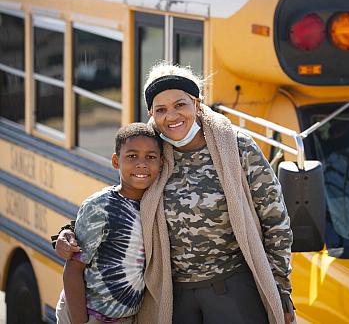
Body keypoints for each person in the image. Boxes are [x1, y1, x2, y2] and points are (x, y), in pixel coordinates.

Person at [55, 62, 295, 324]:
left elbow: (275, 221)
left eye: (180, 105)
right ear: (152, 114)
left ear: (197, 103)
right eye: (161, 109)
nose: (171, 116)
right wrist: (69, 232)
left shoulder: (237, 148)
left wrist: (280, 287)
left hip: (233, 289)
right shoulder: (153, 152)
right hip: (173, 295)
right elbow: (122, 202)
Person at [54, 123, 163, 324]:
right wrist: (80, 321)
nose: (141, 164)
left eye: (151, 157)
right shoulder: (100, 206)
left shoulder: (155, 205)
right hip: (88, 314)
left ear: (161, 162)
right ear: (115, 161)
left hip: (126, 317)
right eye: (131, 156)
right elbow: (73, 268)